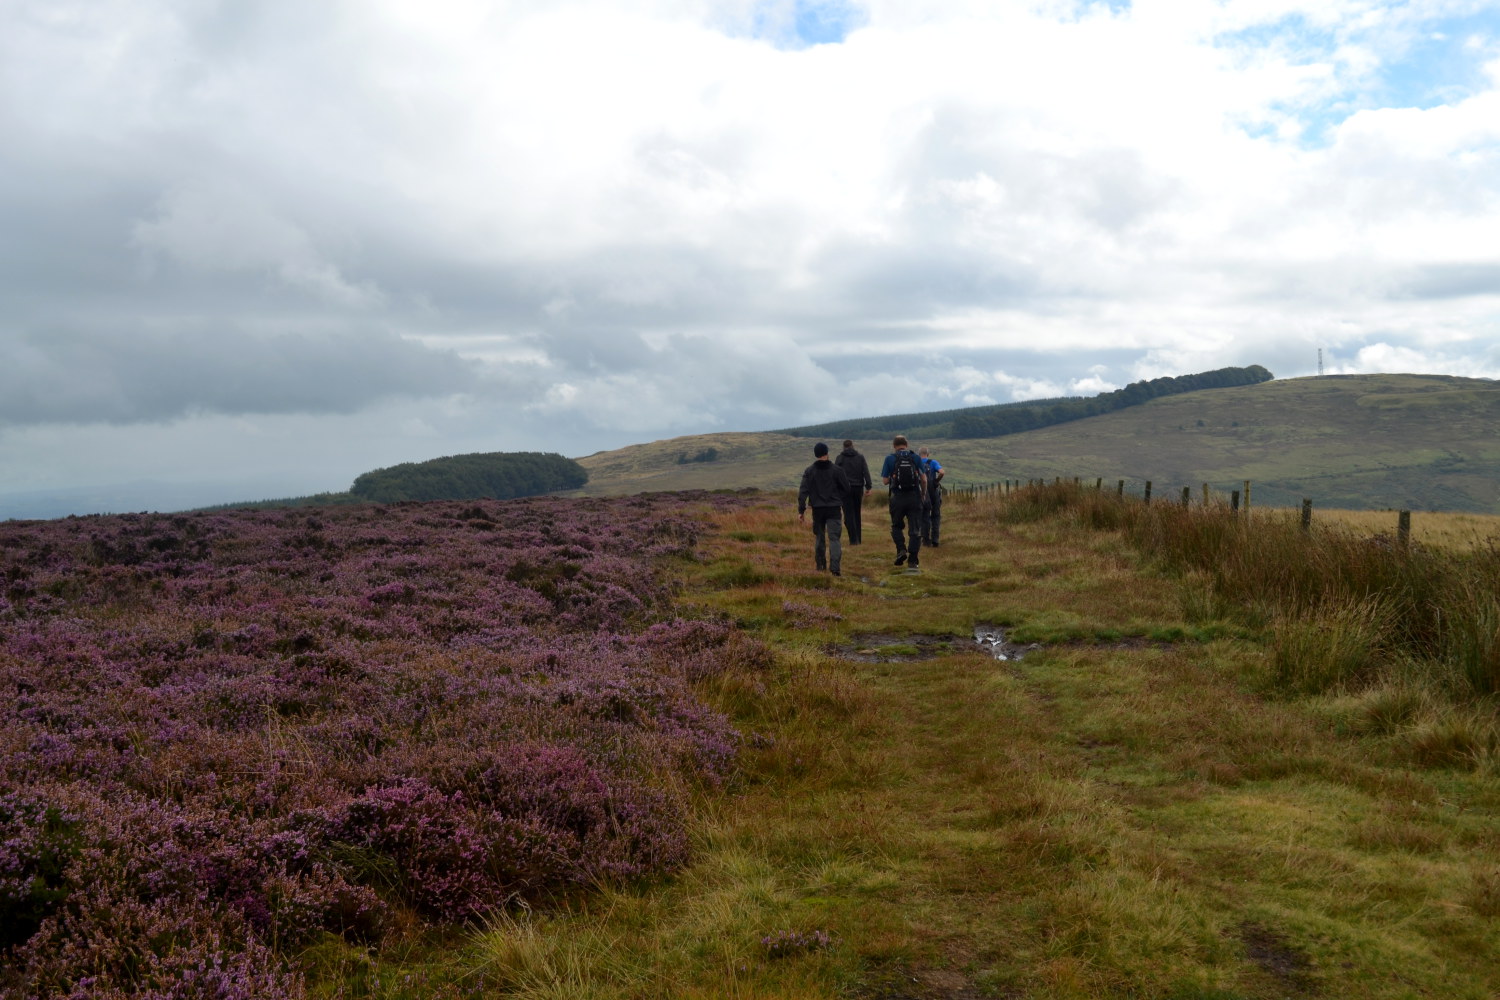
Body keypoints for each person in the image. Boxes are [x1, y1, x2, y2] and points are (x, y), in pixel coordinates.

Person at [798, 442, 851, 576]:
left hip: (818, 510)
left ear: (815, 454)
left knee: (819, 538)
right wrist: (838, 498)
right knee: (834, 539)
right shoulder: (837, 470)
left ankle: (821, 567)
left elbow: (803, 492)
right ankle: (835, 569)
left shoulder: (809, 471)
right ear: (827, 453)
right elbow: (847, 489)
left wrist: (801, 510)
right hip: (833, 508)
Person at [880, 435, 926, 569]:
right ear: (907, 445)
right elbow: (924, 480)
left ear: (894, 446)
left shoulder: (890, 458)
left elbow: (884, 481)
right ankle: (913, 559)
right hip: (914, 496)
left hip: (897, 498)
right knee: (915, 529)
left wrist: (894, 476)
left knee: (896, 526)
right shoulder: (916, 458)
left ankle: (901, 550)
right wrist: (923, 494)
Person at [833, 439, 873, 545]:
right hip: (858, 488)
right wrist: (868, 486)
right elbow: (866, 471)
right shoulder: (860, 457)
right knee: (856, 513)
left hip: (844, 489)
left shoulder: (840, 458)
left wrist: (835, 488)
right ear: (852, 446)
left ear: (843, 447)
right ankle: (858, 539)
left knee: (848, 514)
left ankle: (853, 540)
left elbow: (835, 474)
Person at [918, 446, 945, 547]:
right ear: (928, 454)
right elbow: (942, 472)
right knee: (936, 515)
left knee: (924, 515)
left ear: (919, 454)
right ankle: (935, 539)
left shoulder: (917, 463)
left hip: (922, 492)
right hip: (933, 491)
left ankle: (925, 540)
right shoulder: (933, 462)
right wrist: (936, 481)